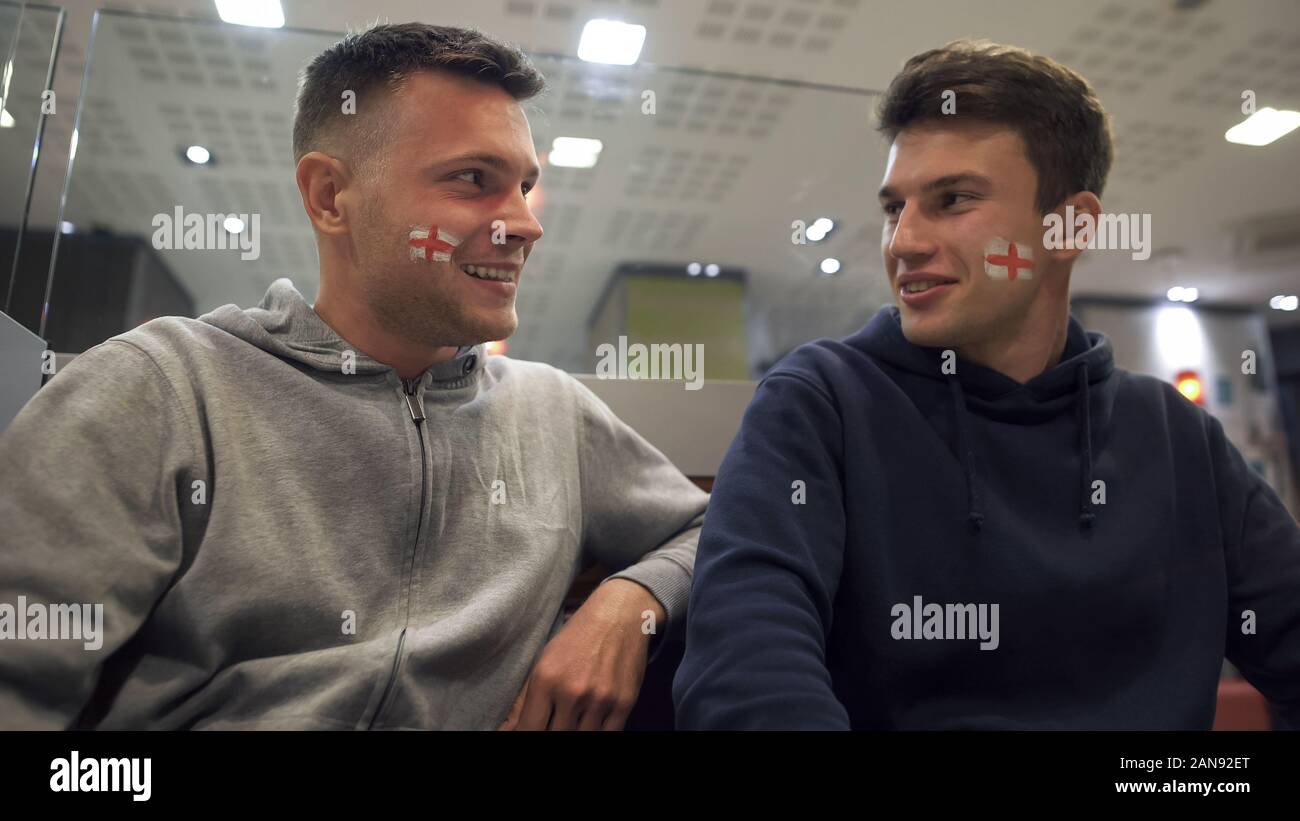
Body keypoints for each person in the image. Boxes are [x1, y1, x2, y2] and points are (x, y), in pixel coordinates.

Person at [0, 23, 707, 731]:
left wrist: (631, 601)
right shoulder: (158, 390)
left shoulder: (554, 412)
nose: (525, 223)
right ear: (331, 196)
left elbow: (711, 526)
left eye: (524, 186)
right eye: (474, 179)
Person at [673, 39, 1300, 730]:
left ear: (1070, 226)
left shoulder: (1180, 441)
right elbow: (744, 677)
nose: (903, 241)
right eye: (894, 207)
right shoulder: (818, 405)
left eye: (952, 200)